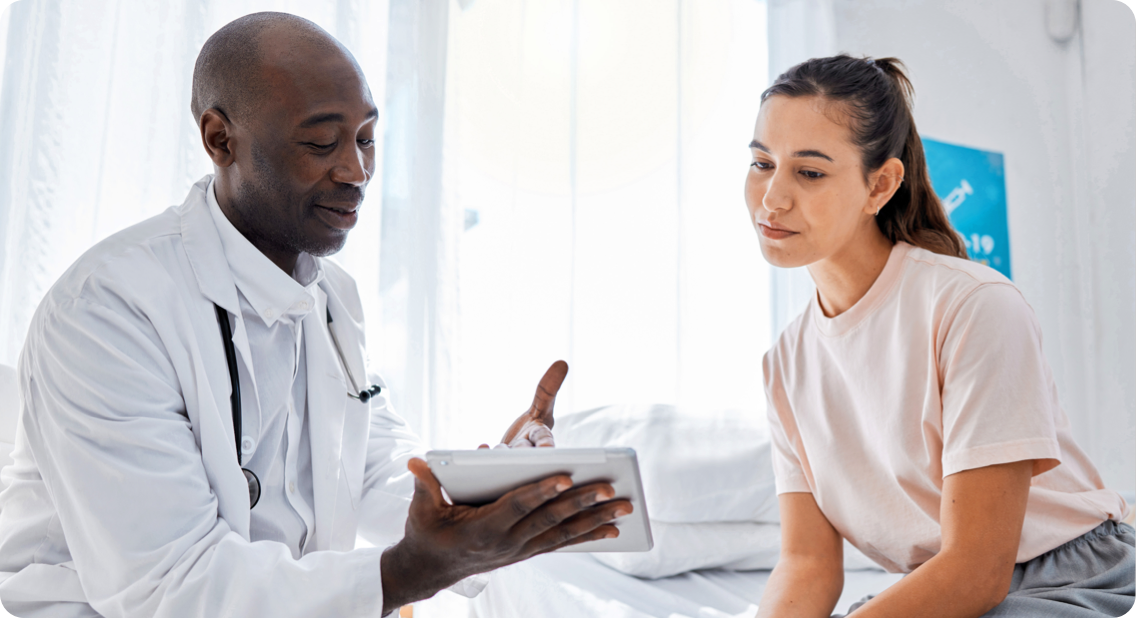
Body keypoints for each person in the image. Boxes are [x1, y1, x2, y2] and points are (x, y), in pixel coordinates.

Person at [0, 12, 631, 618]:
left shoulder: (330, 299)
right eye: (321, 142)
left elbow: (374, 468)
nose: (356, 171)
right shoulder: (108, 311)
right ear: (221, 140)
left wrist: (495, 489)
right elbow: (170, 588)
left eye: (366, 139)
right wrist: (406, 573)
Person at [747, 55, 1134, 618]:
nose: (771, 198)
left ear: (880, 185)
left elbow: (977, 569)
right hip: (940, 590)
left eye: (809, 172)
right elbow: (807, 564)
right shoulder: (784, 365)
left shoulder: (973, 306)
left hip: (1071, 579)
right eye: (761, 163)